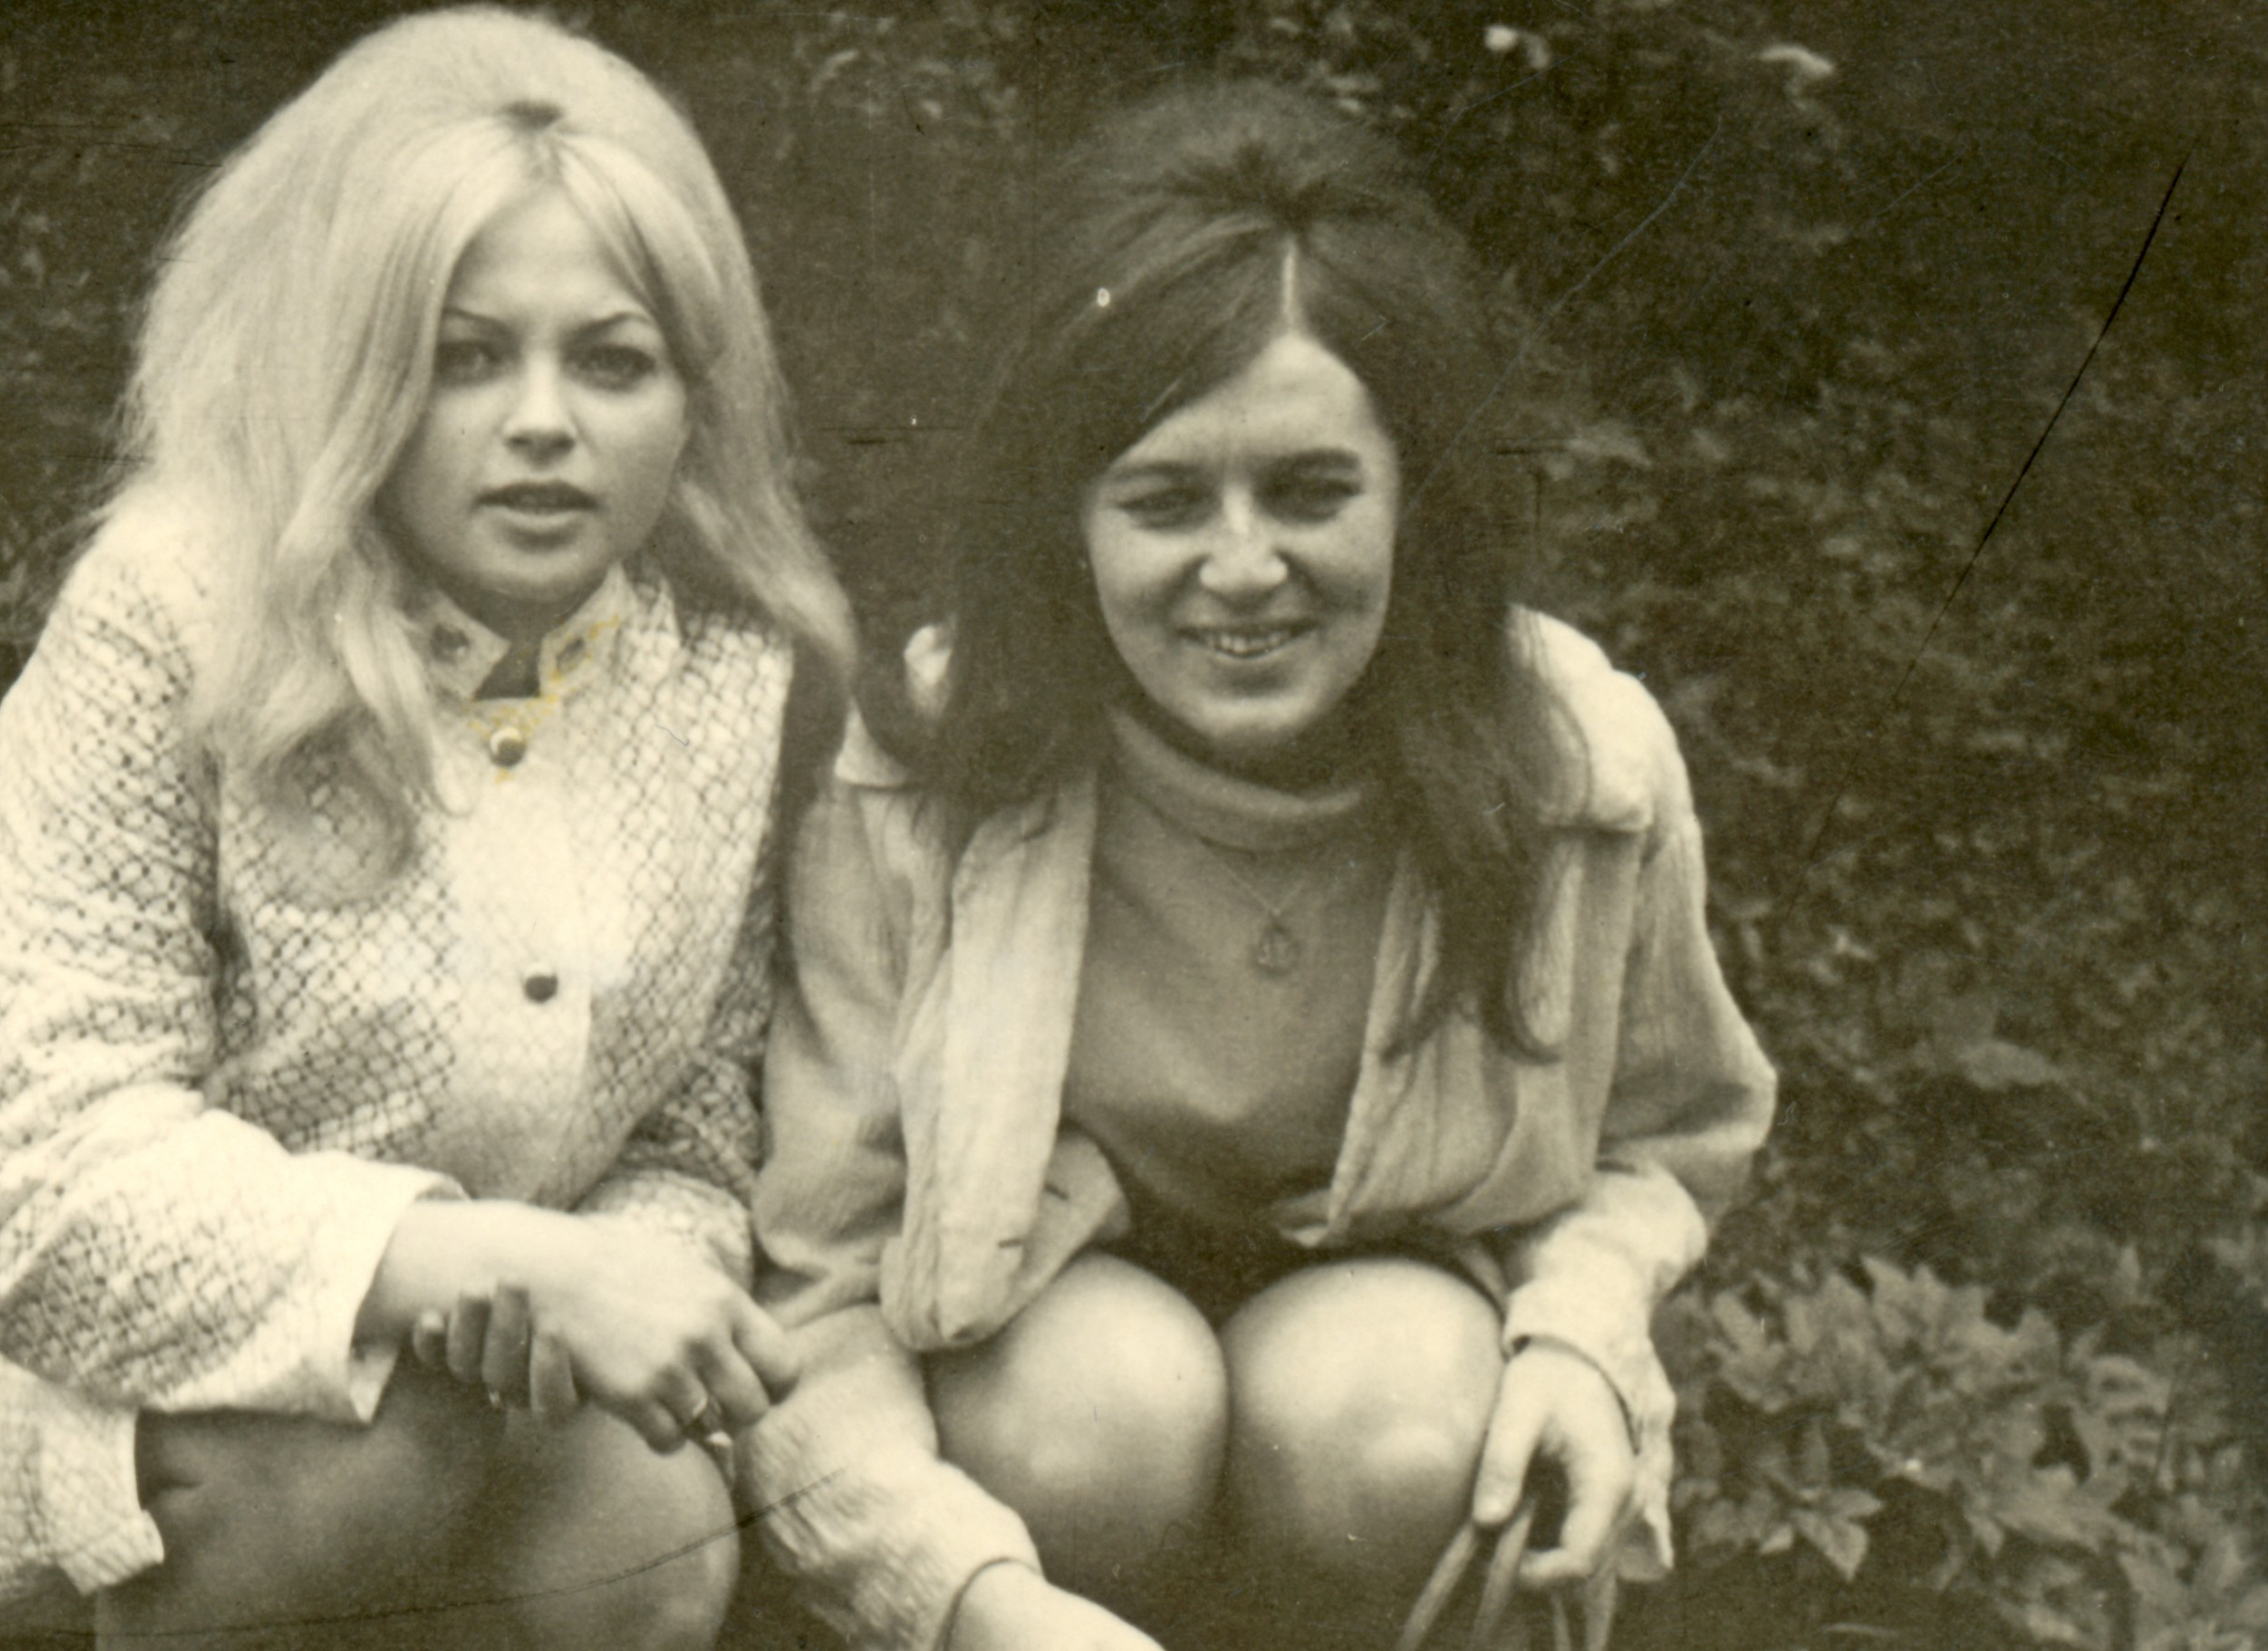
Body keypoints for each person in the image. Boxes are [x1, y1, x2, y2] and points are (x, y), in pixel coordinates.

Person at [0, 11, 853, 1649]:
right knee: (354, 1468)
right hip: (23, 1356)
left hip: (478, 1377)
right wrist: (471, 1266)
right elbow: (39, 1194)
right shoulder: (175, 614)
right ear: (361, 377)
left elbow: (686, 1134)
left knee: (655, 1518)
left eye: (611, 359)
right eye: (466, 357)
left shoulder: (721, 674)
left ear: (694, 398)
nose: (544, 421)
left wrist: (582, 1295)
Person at [734, 82, 1776, 1651]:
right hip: (1046, 1383)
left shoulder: (1577, 768)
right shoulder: (925, 768)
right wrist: (964, 1599)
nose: (1241, 571)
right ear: (1063, 519)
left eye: (1309, 491)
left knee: (1398, 1431)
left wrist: (1576, 1345)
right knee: (1095, 1418)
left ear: (1416, 495)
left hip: (1393, 1348)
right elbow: (824, 1277)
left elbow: (1665, 1139)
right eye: (1162, 500)